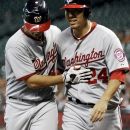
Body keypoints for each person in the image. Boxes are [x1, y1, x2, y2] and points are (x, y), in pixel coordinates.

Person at [4, 0, 92, 130]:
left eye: (41, 26)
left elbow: (66, 59)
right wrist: (64, 77)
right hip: (19, 105)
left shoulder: (55, 32)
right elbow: (32, 82)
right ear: (24, 20)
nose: (37, 31)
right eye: (33, 26)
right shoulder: (15, 44)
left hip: (46, 102)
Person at [55, 0, 130, 130]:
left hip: (105, 111)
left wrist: (104, 100)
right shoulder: (61, 39)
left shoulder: (107, 37)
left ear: (87, 11)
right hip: (74, 110)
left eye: (76, 11)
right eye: (68, 11)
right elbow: (59, 72)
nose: (71, 15)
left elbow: (118, 73)